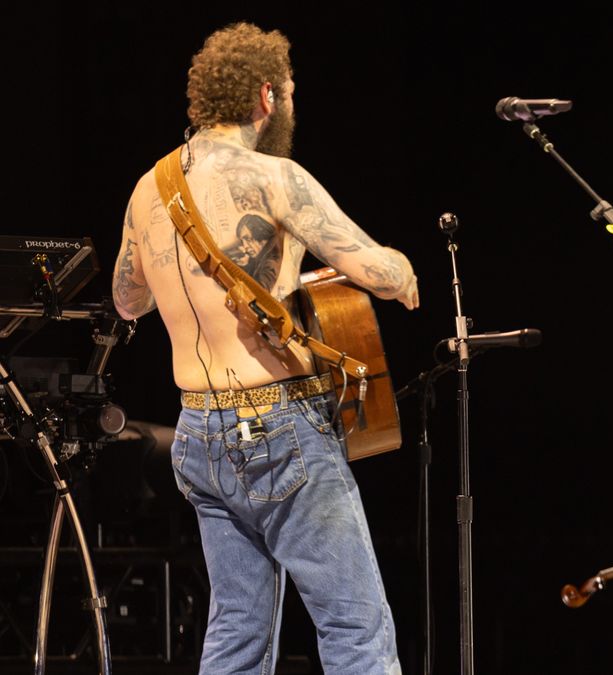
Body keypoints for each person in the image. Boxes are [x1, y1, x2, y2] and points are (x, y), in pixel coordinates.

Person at [112, 22, 417, 675]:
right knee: (357, 628)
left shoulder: (148, 188)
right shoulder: (277, 178)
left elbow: (126, 300)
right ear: (266, 97)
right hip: (277, 425)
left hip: (196, 430)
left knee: (238, 632)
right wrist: (403, 268)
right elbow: (377, 273)